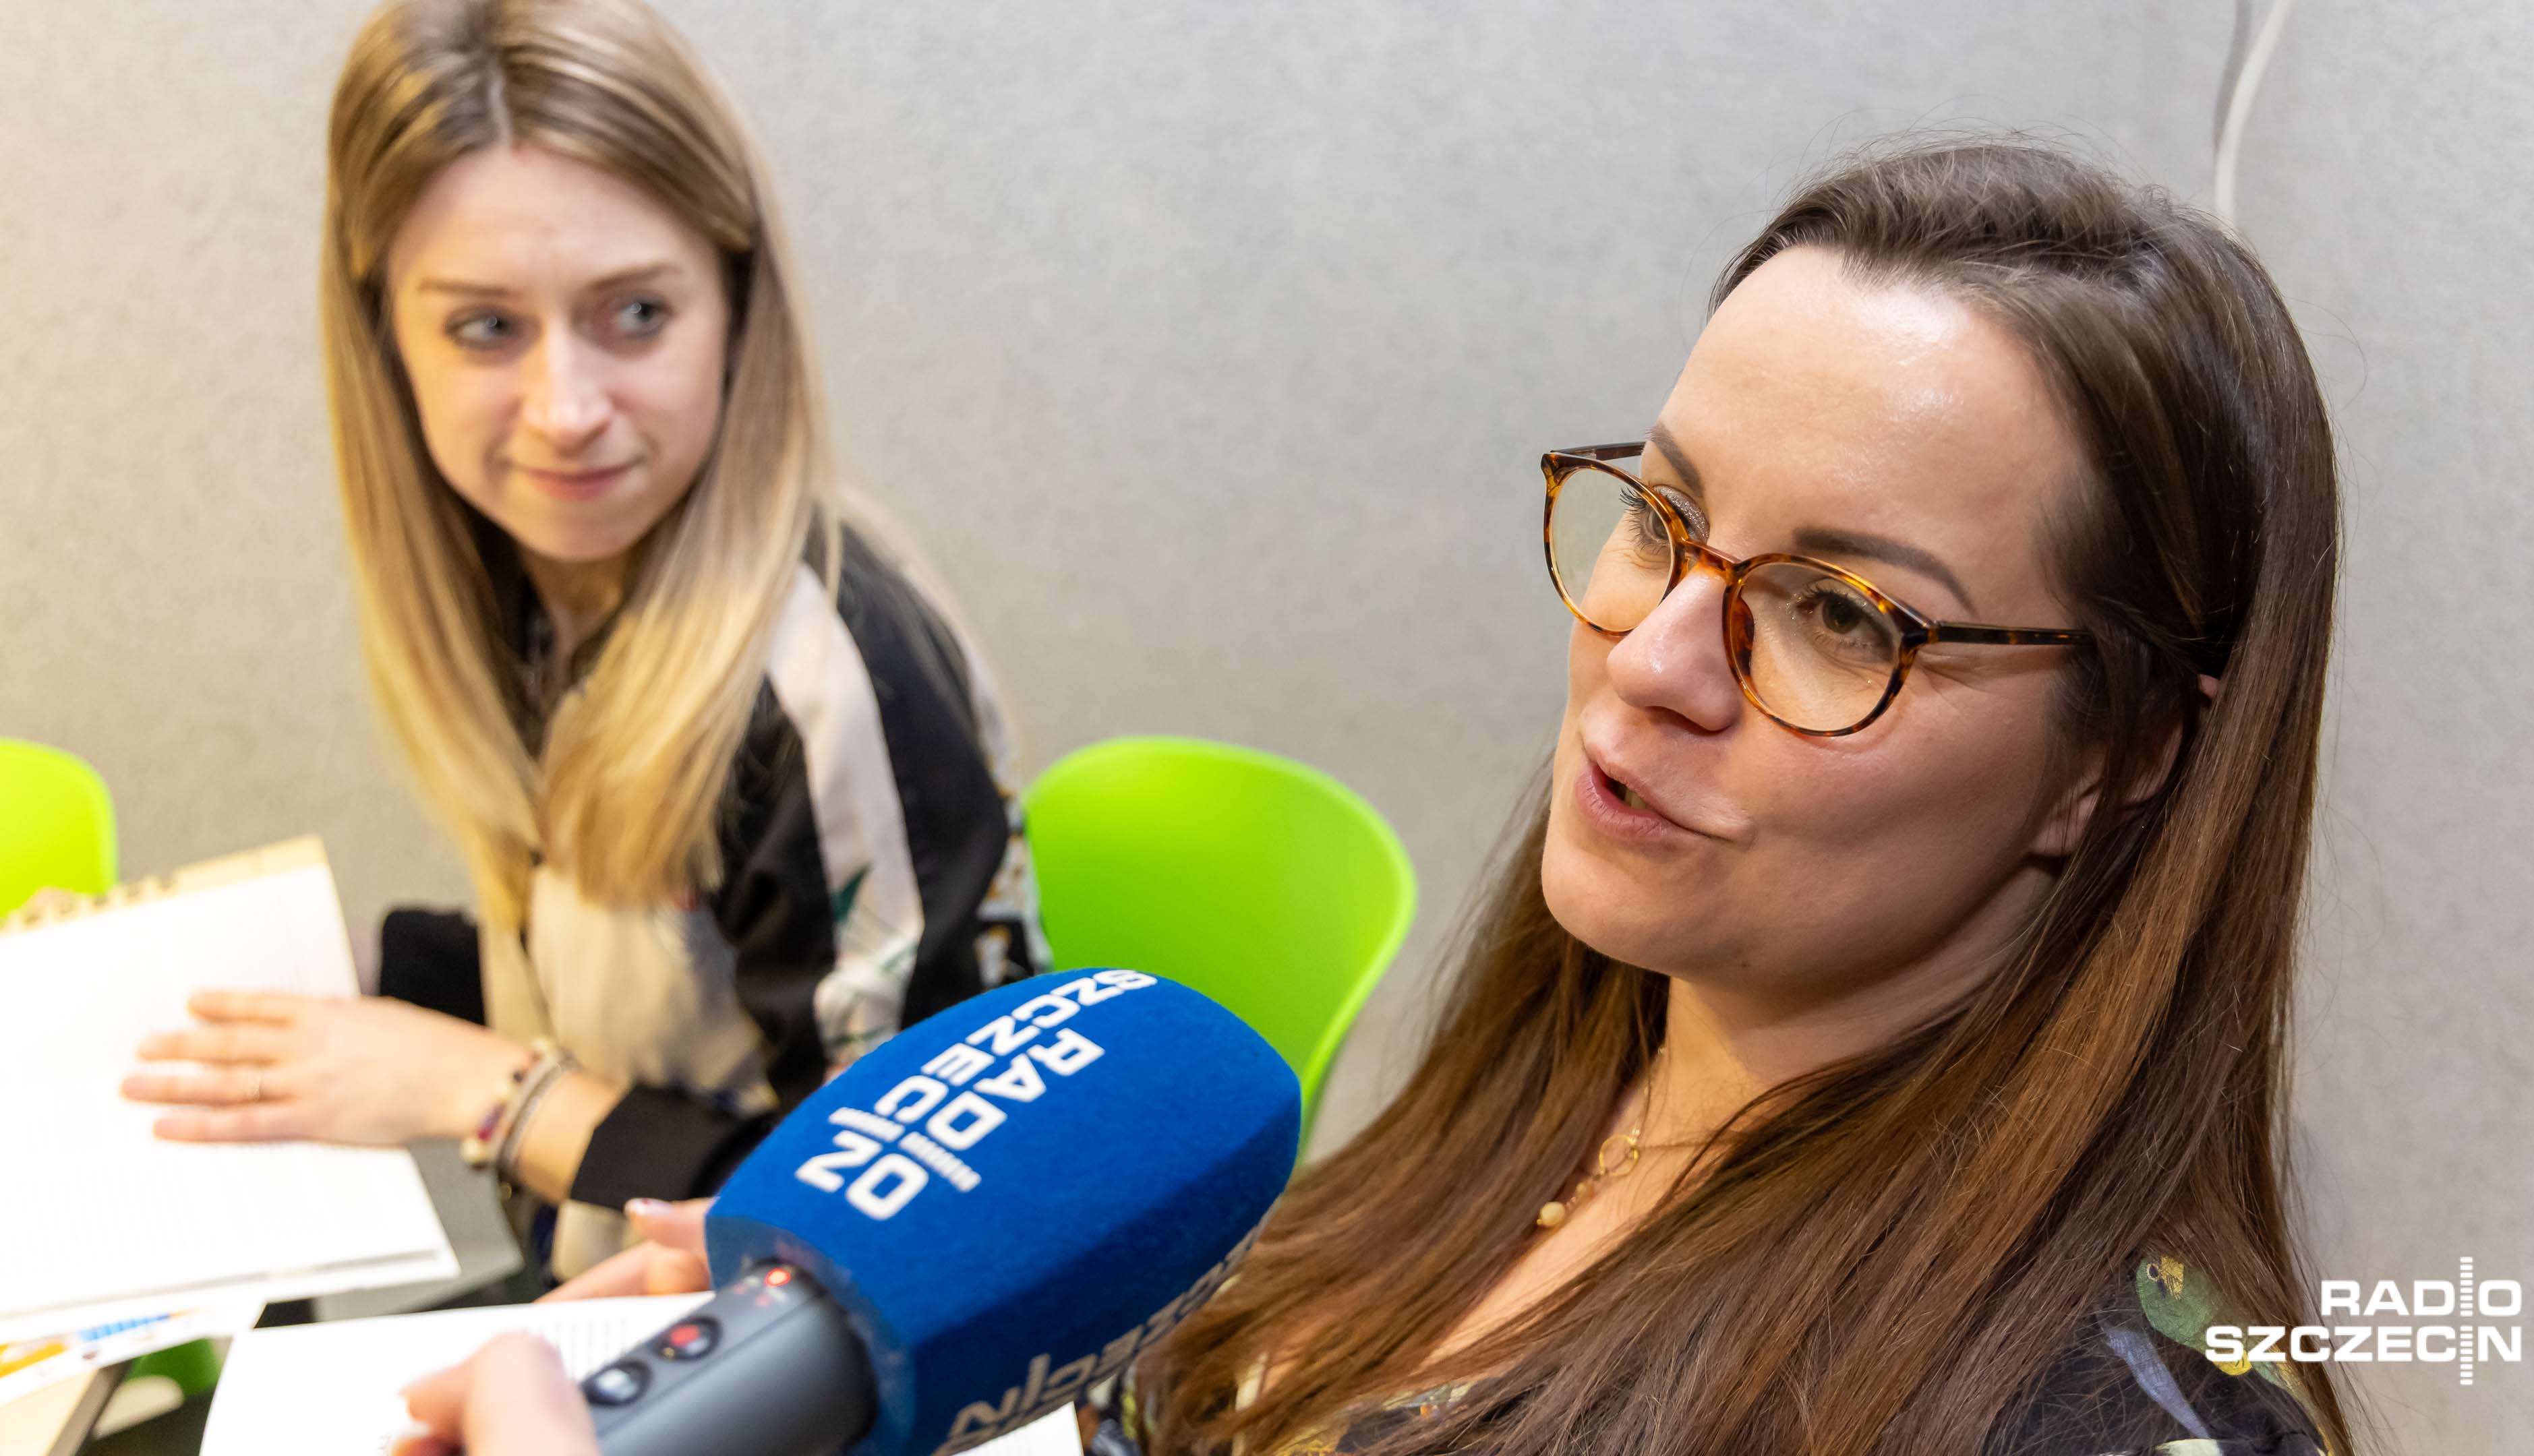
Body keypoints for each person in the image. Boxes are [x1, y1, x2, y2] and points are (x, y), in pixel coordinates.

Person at [403, 136, 2362, 1456]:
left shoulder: (2100, 1419)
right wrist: (898, 1366)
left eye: (1841, 615)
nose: (1651, 659)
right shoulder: (1579, 1086)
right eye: (1664, 518)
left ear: (2119, 757)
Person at [119, 0, 1047, 1280]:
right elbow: (654, 985)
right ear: (386, 337)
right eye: (486, 328)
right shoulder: (541, 572)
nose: (565, 410)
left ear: (736, 306)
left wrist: (484, 1090)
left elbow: (904, 1230)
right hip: (601, 1300)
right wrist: (351, 972)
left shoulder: (824, 686)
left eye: (638, 314)